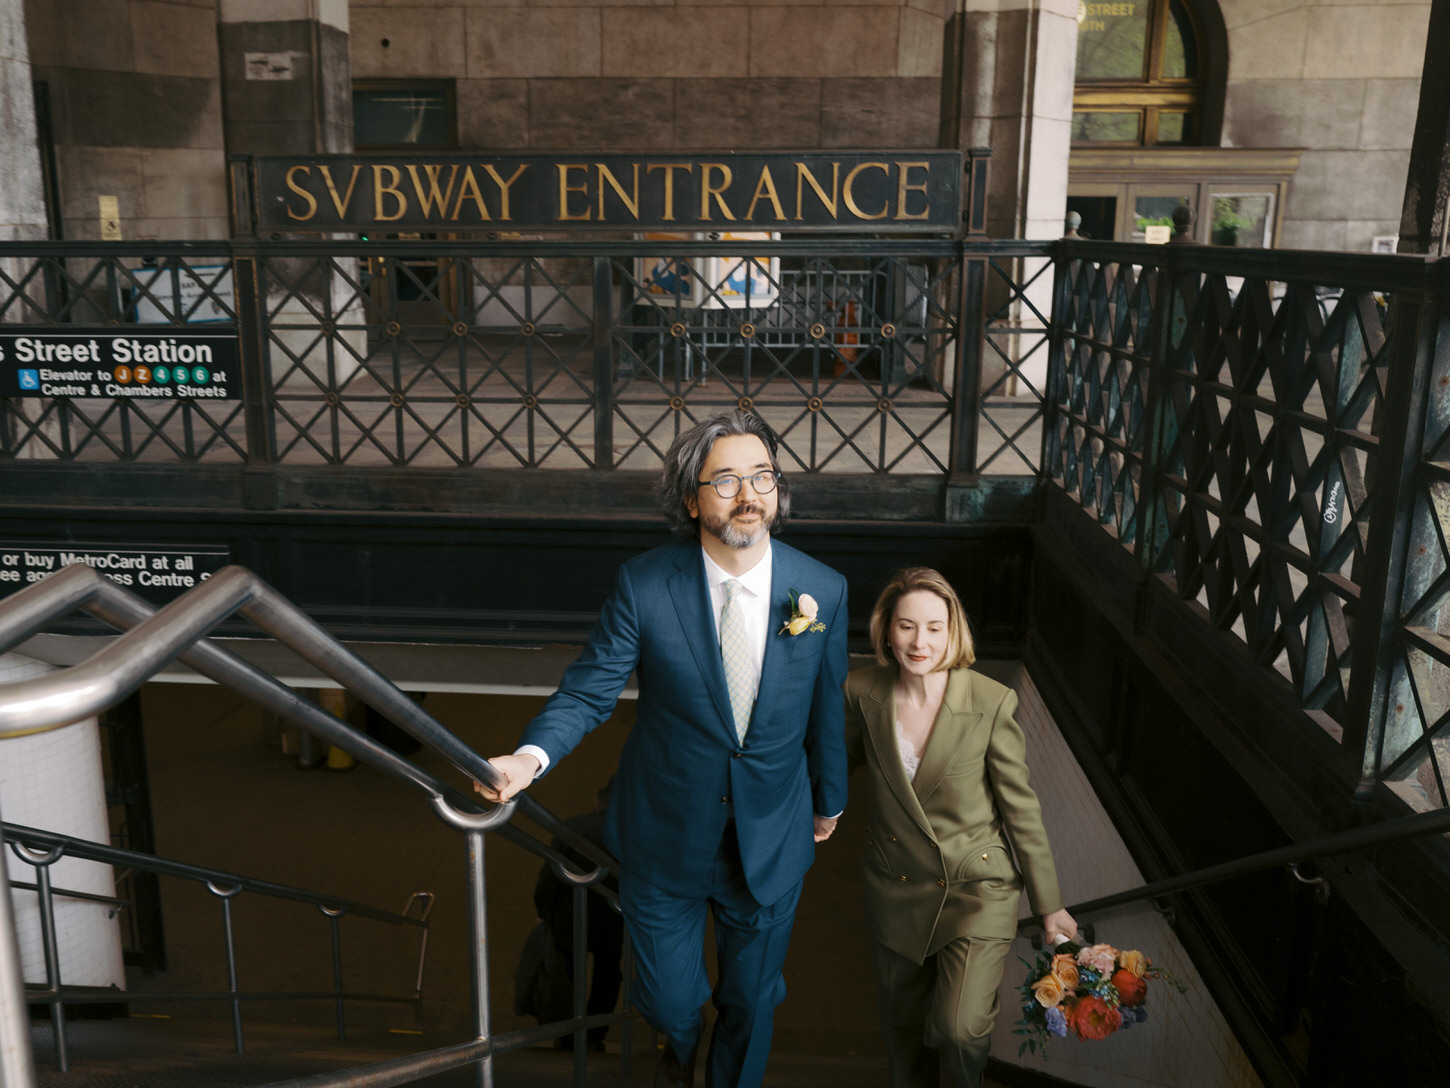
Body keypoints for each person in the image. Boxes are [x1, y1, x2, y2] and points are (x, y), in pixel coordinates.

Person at [478, 410, 849, 1088]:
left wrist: (830, 802)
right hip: (664, 835)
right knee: (668, 1001)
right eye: (728, 479)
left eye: (762, 476)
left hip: (771, 835)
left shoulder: (821, 589)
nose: (749, 494)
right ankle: (677, 1059)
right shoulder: (645, 585)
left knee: (751, 998)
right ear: (690, 498)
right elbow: (590, 691)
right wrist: (527, 759)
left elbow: (826, 707)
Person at [843, 567, 1076, 1088]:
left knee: (958, 1030)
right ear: (886, 630)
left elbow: (1021, 807)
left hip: (977, 887)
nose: (919, 641)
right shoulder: (861, 691)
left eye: (933, 627)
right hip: (895, 886)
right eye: (906, 626)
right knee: (904, 1043)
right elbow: (832, 768)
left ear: (953, 632)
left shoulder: (991, 701)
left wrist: (1049, 903)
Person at [530, 778, 623, 1052]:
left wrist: (542, 909)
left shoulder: (573, 826)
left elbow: (550, 874)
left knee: (568, 973)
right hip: (613, 917)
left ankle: (567, 1031)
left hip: (570, 915)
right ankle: (595, 1035)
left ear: (598, 801)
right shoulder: (637, 830)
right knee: (608, 974)